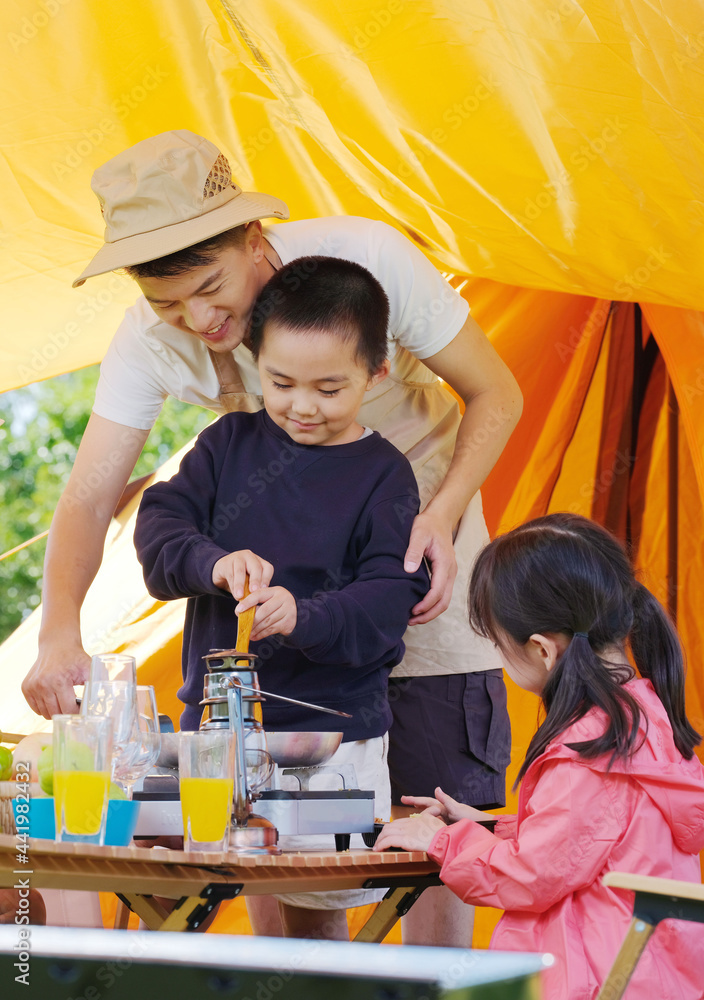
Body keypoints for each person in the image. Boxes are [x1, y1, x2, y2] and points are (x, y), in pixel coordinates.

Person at [22, 129, 523, 945]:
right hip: (283, 595)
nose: (198, 319)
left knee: (428, 805)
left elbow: (495, 392)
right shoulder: (155, 348)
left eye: (211, 288)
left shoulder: (369, 260)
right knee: (264, 811)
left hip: (417, 552)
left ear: (256, 240)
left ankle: (436, 980)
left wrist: (442, 514)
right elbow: (90, 495)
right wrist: (57, 632)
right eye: (168, 302)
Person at [134, 257, 430, 939]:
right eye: (281, 382)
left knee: (313, 926)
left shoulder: (385, 477)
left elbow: (388, 604)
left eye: (330, 387)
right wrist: (213, 563)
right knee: (153, 882)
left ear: (375, 374)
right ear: (254, 362)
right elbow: (158, 532)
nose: (302, 405)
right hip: (209, 744)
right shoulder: (226, 444)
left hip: (333, 746)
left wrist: (301, 615)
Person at [375, 513, 704, 999]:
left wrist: (442, 843)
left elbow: (530, 876)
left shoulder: (589, 749)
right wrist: (482, 827)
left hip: (588, 985)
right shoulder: (643, 719)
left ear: (542, 650)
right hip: (654, 982)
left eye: (501, 646)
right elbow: (586, 842)